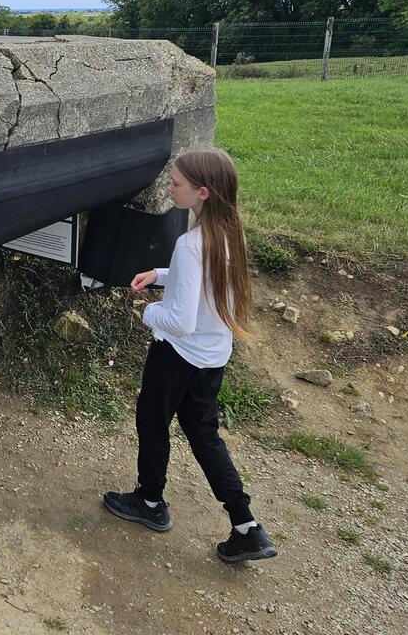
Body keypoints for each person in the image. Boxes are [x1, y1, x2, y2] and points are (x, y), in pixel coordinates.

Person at [102, 148, 277, 563]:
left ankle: (149, 502)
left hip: (178, 354)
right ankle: (246, 526)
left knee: (152, 419)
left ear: (202, 192)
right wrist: (160, 275)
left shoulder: (190, 243)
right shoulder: (229, 231)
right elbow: (204, 284)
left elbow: (178, 320)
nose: (169, 187)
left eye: (176, 183)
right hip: (213, 354)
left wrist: (148, 312)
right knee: (203, 433)